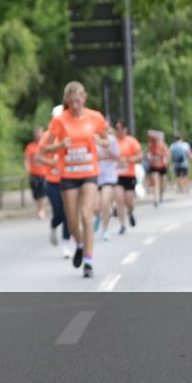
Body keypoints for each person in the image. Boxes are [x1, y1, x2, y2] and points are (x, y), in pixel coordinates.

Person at [42, 82, 110, 278]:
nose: (75, 105)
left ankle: (88, 261)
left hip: (89, 171)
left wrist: (100, 141)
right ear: (66, 101)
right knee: (71, 220)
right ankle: (79, 243)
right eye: (71, 102)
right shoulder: (59, 121)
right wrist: (60, 145)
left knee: (86, 215)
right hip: (68, 174)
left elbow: (106, 140)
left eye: (78, 100)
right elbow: (45, 149)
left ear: (84, 98)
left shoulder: (95, 117)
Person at [36, 107, 70, 256]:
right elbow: (38, 157)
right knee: (58, 212)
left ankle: (66, 244)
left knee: (68, 213)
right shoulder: (47, 136)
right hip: (52, 180)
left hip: (68, 179)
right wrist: (53, 164)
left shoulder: (70, 134)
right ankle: (53, 225)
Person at [94, 126, 122, 241]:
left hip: (109, 177)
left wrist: (105, 147)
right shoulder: (93, 139)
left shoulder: (112, 140)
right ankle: (98, 216)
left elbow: (117, 156)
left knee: (105, 202)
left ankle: (105, 229)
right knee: (95, 206)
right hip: (95, 176)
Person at [114, 122, 142, 235]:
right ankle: (122, 225)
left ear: (125, 129)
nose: (118, 131)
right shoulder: (113, 141)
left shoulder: (131, 141)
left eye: (120, 128)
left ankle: (130, 212)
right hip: (116, 175)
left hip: (129, 175)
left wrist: (128, 160)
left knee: (129, 201)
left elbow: (140, 156)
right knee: (119, 199)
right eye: (116, 128)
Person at [24, 126, 48, 220]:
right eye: (36, 133)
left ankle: (41, 209)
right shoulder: (30, 146)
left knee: (43, 192)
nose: (38, 135)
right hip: (34, 174)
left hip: (44, 173)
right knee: (36, 193)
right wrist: (27, 169)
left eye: (39, 133)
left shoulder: (46, 146)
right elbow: (26, 159)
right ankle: (39, 208)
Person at [146, 131, 168, 206]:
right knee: (155, 182)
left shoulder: (162, 145)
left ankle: (161, 196)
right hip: (153, 166)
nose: (154, 141)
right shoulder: (150, 146)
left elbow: (167, 154)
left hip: (162, 166)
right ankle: (155, 199)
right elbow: (148, 155)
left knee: (162, 183)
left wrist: (160, 155)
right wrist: (150, 157)